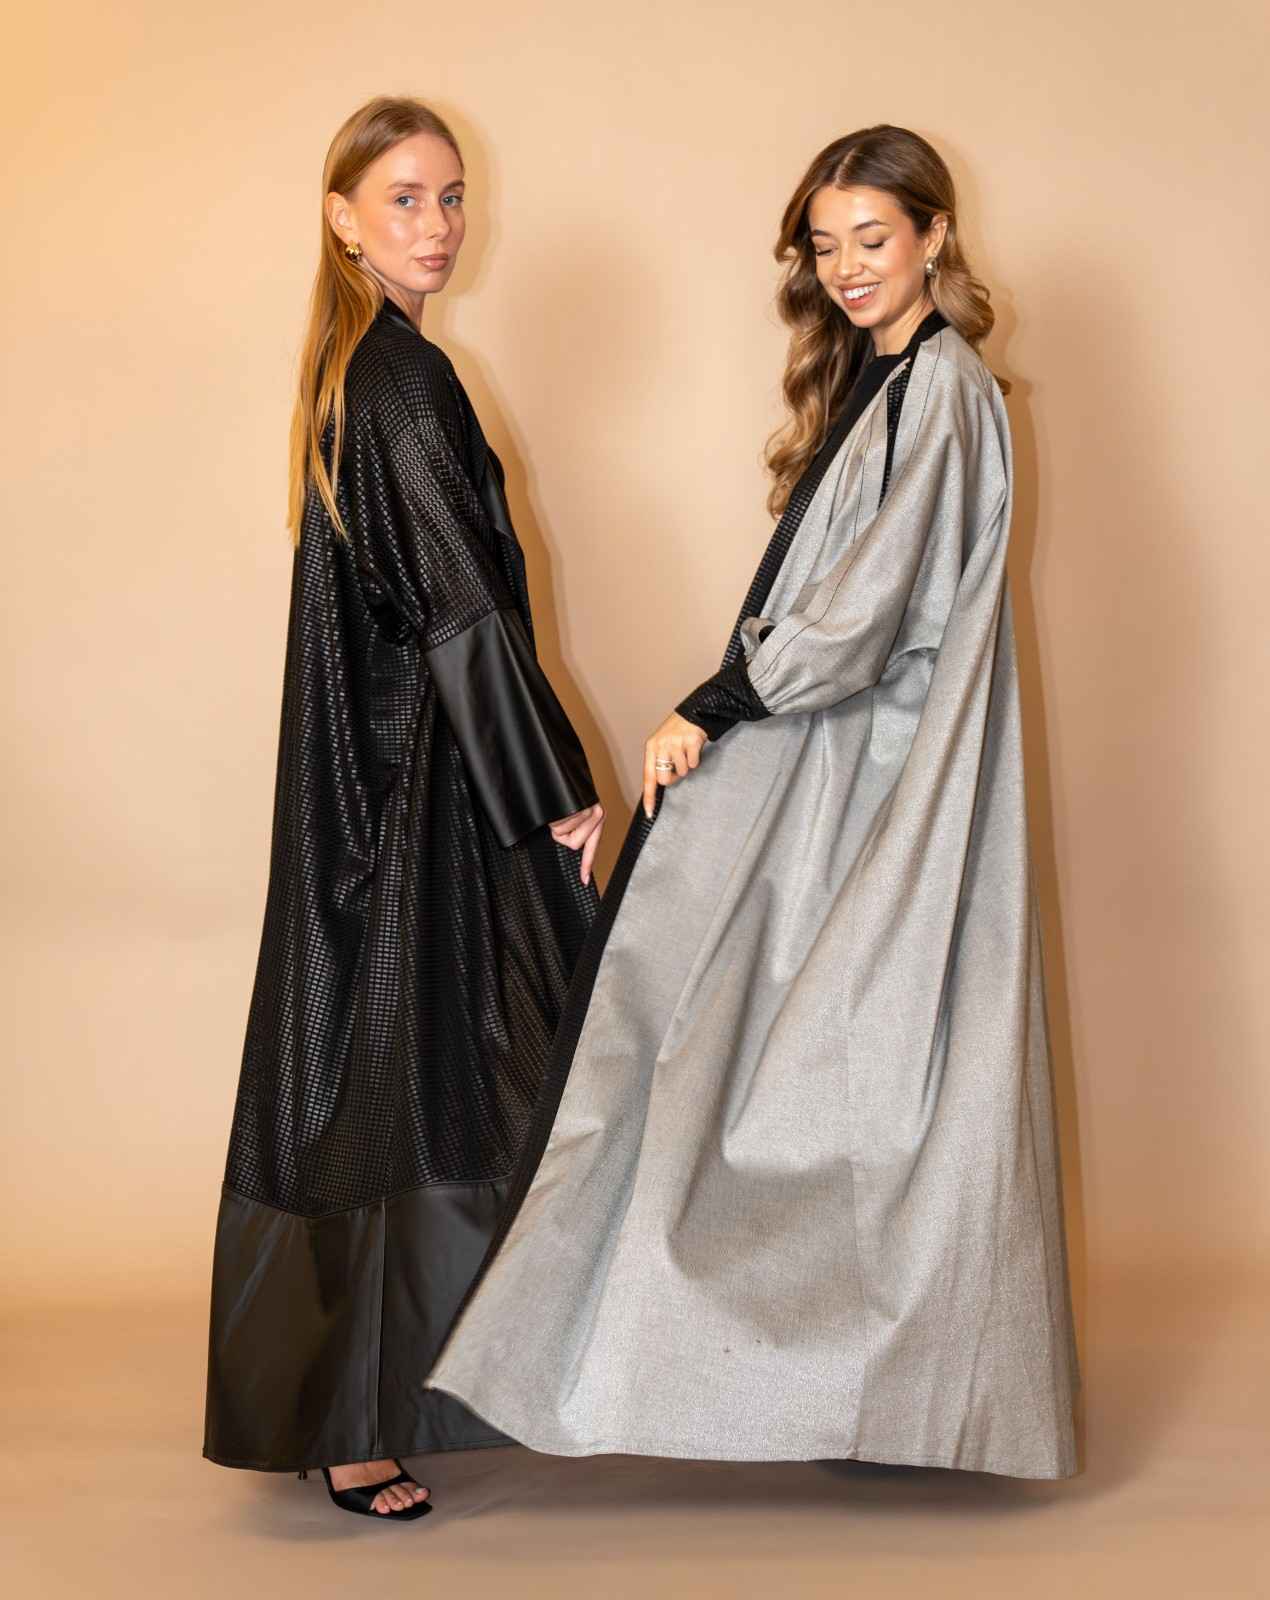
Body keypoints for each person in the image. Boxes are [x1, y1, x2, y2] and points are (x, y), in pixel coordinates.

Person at [427, 125, 1078, 1480]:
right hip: (843, 766)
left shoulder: (945, 388)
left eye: (874, 239)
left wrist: (716, 704)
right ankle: (764, 1383)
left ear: (936, 236)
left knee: (860, 1080)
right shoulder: (883, 381)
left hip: (885, 782)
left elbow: (868, 612)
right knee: (775, 1062)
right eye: (826, 246)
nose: (848, 268)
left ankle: (875, 1394)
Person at [203, 97, 604, 1521]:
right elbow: (459, 612)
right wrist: (553, 794)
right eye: (405, 199)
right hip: (403, 801)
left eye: (450, 197)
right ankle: (351, 1420)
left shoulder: (367, 369)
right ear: (344, 217)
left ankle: (392, 1390)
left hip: (387, 787)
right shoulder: (399, 383)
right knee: (385, 1086)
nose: (437, 226)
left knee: (399, 1082)